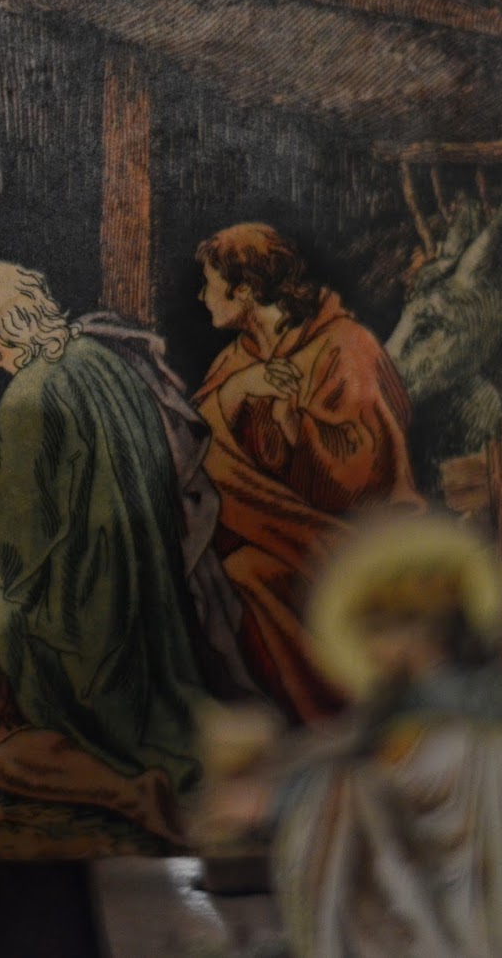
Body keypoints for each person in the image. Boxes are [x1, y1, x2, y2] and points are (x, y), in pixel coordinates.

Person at [0, 263, 208, 842]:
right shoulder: (95, 361)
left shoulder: (31, 393)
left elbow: (19, 537)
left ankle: (132, 792)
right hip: (139, 600)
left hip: (77, 616)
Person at [194, 516, 502, 957]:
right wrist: (275, 769)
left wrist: (274, 797)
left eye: (373, 629)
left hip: (450, 917)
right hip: (475, 897)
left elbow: (390, 778)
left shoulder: (444, 712)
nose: (367, 648)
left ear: (417, 631)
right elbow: (347, 742)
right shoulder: (439, 697)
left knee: (351, 809)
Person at [193, 223, 422, 723]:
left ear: (245, 290)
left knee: (245, 573)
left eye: (209, 284)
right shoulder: (236, 362)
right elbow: (191, 446)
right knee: (225, 575)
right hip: (278, 533)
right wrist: (236, 392)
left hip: (357, 539)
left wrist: (295, 425)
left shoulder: (345, 346)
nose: (201, 297)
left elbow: (362, 477)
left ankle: (339, 713)